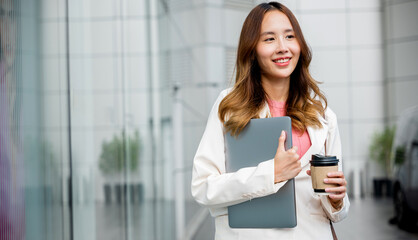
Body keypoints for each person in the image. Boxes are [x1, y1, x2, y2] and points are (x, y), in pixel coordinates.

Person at [191, 2, 349, 239]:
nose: (283, 48)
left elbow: (334, 209)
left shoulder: (323, 116)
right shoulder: (230, 107)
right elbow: (203, 187)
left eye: (289, 36)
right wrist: (271, 173)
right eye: (269, 39)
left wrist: (337, 200)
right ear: (251, 49)